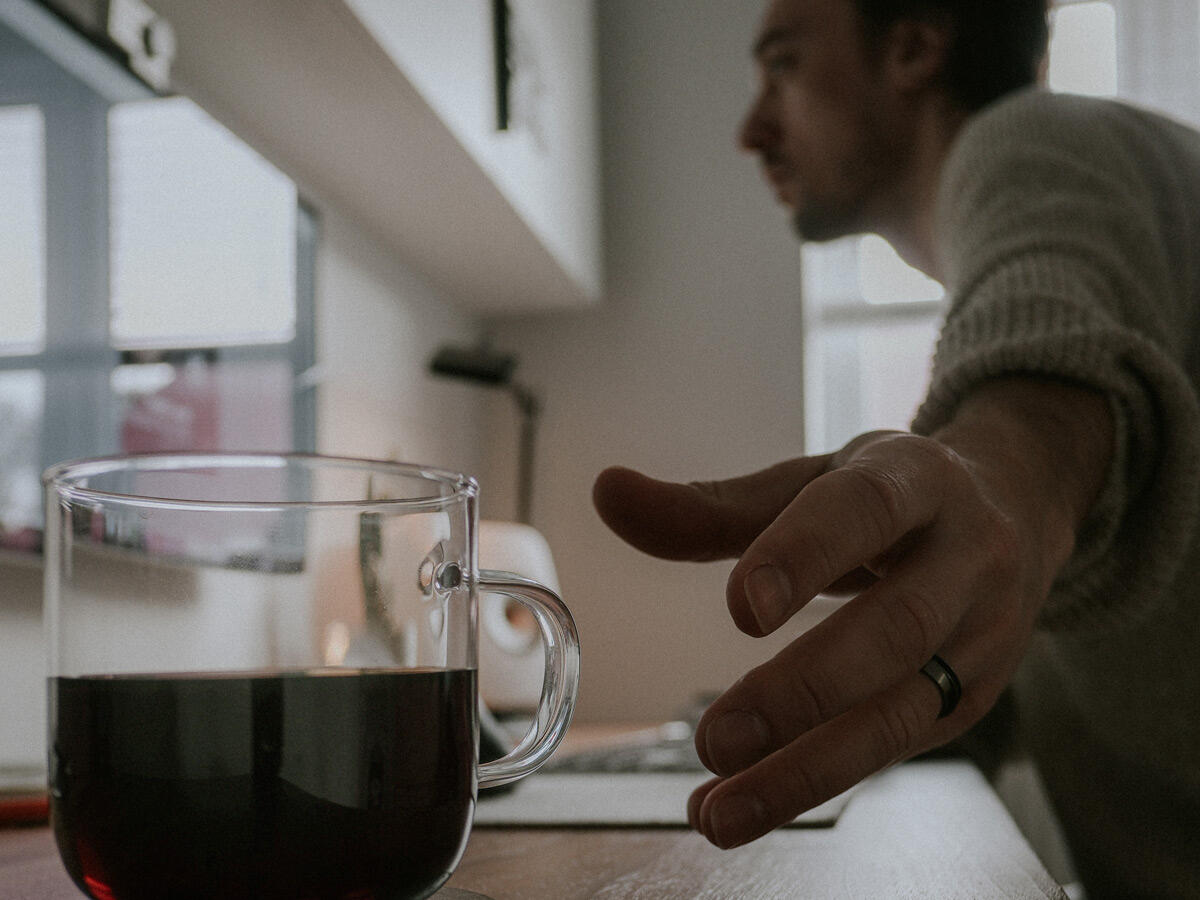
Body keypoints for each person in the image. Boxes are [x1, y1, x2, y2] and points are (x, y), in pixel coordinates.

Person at [592, 1, 1200, 897]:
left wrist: (1001, 482)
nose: (751, 128)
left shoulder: (1036, 141)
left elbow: (1039, 407)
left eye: (785, 67)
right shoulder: (1066, 233)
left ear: (915, 44)